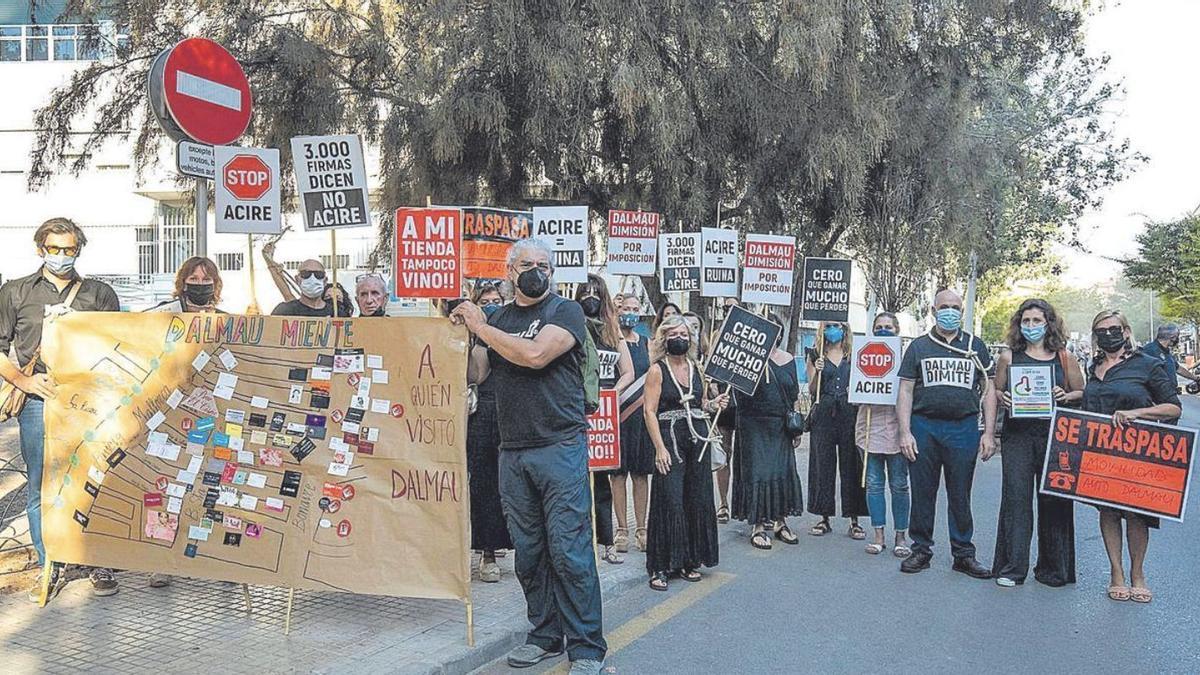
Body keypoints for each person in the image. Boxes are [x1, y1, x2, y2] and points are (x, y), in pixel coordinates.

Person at [450, 238, 606, 674]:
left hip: (560, 447)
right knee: (530, 552)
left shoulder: (564, 312)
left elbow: (536, 355)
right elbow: (477, 372)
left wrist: (482, 328)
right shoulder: (498, 317)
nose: (536, 270)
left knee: (569, 551)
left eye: (543, 264)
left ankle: (587, 647)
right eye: (527, 263)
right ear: (509, 269)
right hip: (512, 452)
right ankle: (544, 633)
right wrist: (457, 332)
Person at [0, 218, 122, 600]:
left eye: (69, 249)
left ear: (79, 250)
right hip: (38, 401)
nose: (62, 256)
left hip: (91, 402)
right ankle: (48, 563)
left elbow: (120, 343)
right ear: (41, 249)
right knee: (42, 484)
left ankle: (98, 561)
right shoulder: (15, 292)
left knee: (97, 480)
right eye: (54, 249)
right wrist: (24, 381)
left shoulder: (99, 293)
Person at [1082, 310, 1180, 604]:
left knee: (1136, 513)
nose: (1108, 334)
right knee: (1108, 511)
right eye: (1101, 330)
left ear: (1125, 331)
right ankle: (1116, 573)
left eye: (1114, 328)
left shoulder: (1148, 365)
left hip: (1137, 453)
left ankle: (1138, 574)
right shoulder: (1093, 366)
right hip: (1101, 453)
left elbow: (1173, 407)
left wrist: (1137, 413)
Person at [896, 289, 994, 578]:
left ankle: (963, 553)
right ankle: (921, 550)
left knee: (960, 493)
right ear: (933, 309)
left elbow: (988, 391)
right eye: (944, 306)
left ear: (962, 311)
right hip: (924, 427)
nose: (949, 311)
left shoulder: (975, 346)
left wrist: (989, 432)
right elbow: (905, 390)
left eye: (955, 307)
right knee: (923, 492)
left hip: (963, 428)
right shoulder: (918, 347)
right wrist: (905, 432)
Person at [987, 299, 1083, 587]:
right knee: (1016, 500)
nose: (1031, 326)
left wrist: (1064, 395)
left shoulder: (1065, 357)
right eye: (1026, 321)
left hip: (1055, 436)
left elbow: (1080, 392)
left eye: (1036, 321)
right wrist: (1001, 402)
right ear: (1019, 324)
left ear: (1048, 323)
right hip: (1017, 435)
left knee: (1054, 499)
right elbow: (995, 391)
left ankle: (1054, 569)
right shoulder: (1008, 357)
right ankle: (1012, 568)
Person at [643, 315, 728, 591]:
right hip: (671, 439)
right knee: (670, 499)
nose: (679, 338)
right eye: (673, 333)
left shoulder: (696, 367)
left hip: (697, 440)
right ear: (664, 338)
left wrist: (715, 403)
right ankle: (660, 566)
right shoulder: (657, 370)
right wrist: (659, 448)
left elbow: (702, 403)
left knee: (696, 498)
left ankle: (688, 560)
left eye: (684, 333)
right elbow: (649, 411)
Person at [575, 274, 634, 565]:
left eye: (596, 292)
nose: (591, 297)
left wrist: (612, 394)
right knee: (576, 481)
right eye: (585, 292)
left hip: (605, 415)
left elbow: (628, 372)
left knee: (603, 483)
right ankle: (582, 543)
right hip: (577, 412)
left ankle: (607, 541)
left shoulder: (613, 332)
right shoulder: (571, 328)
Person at [731, 317, 804, 549]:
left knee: (782, 471)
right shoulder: (746, 358)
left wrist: (796, 428)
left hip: (780, 424)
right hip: (752, 423)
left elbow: (793, 393)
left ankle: (781, 522)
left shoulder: (788, 359)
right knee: (758, 473)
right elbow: (737, 392)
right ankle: (759, 525)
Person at [464, 283, 513, 582]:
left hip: (514, 414)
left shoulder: (516, 331)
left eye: (497, 300)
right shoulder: (471, 335)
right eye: (486, 301)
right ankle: (487, 552)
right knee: (484, 485)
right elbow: (477, 375)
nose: (493, 304)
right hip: (483, 414)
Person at [806, 321, 868, 538]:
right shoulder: (815, 354)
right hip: (824, 413)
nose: (833, 330)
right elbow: (812, 390)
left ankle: (854, 518)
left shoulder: (855, 354)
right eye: (829, 325)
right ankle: (823, 516)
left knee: (852, 464)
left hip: (849, 413)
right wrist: (817, 372)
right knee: (822, 464)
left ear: (845, 329)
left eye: (837, 325)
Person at [857, 312, 911, 557]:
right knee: (874, 485)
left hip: (898, 430)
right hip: (868, 429)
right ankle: (878, 536)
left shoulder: (906, 358)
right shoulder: (863, 353)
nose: (883, 330)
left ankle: (901, 537)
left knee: (900, 486)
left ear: (897, 330)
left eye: (888, 327)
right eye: (879, 327)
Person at [610, 293, 655, 553]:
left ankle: (642, 528)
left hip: (641, 416)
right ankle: (621, 530)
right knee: (617, 475)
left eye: (635, 308)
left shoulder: (647, 344)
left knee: (640, 474)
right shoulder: (610, 340)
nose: (630, 312)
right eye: (625, 308)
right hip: (617, 414)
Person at [713, 299, 740, 523]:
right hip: (723, 403)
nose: (729, 312)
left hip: (746, 403)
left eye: (733, 308)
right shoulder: (716, 336)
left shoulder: (750, 336)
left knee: (746, 456)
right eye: (725, 308)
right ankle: (723, 503)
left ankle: (746, 503)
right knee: (724, 455)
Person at [271, 259, 353, 317]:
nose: (312, 279)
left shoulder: (337, 314)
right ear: (297, 279)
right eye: (306, 274)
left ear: (325, 281)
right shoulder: (284, 311)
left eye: (318, 275)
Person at [1142, 324, 1198, 405]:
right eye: (1177, 336)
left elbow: (1178, 369)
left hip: (1169, 395)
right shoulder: (1149, 351)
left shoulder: (1167, 352)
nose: (1177, 339)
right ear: (1172, 337)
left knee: (1175, 413)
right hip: (1155, 398)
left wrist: (1195, 378)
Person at [150, 256, 224, 313]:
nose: (200, 284)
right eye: (193, 279)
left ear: (214, 285)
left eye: (206, 279)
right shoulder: (165, 312)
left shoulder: (225, 321)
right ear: (183, 283)